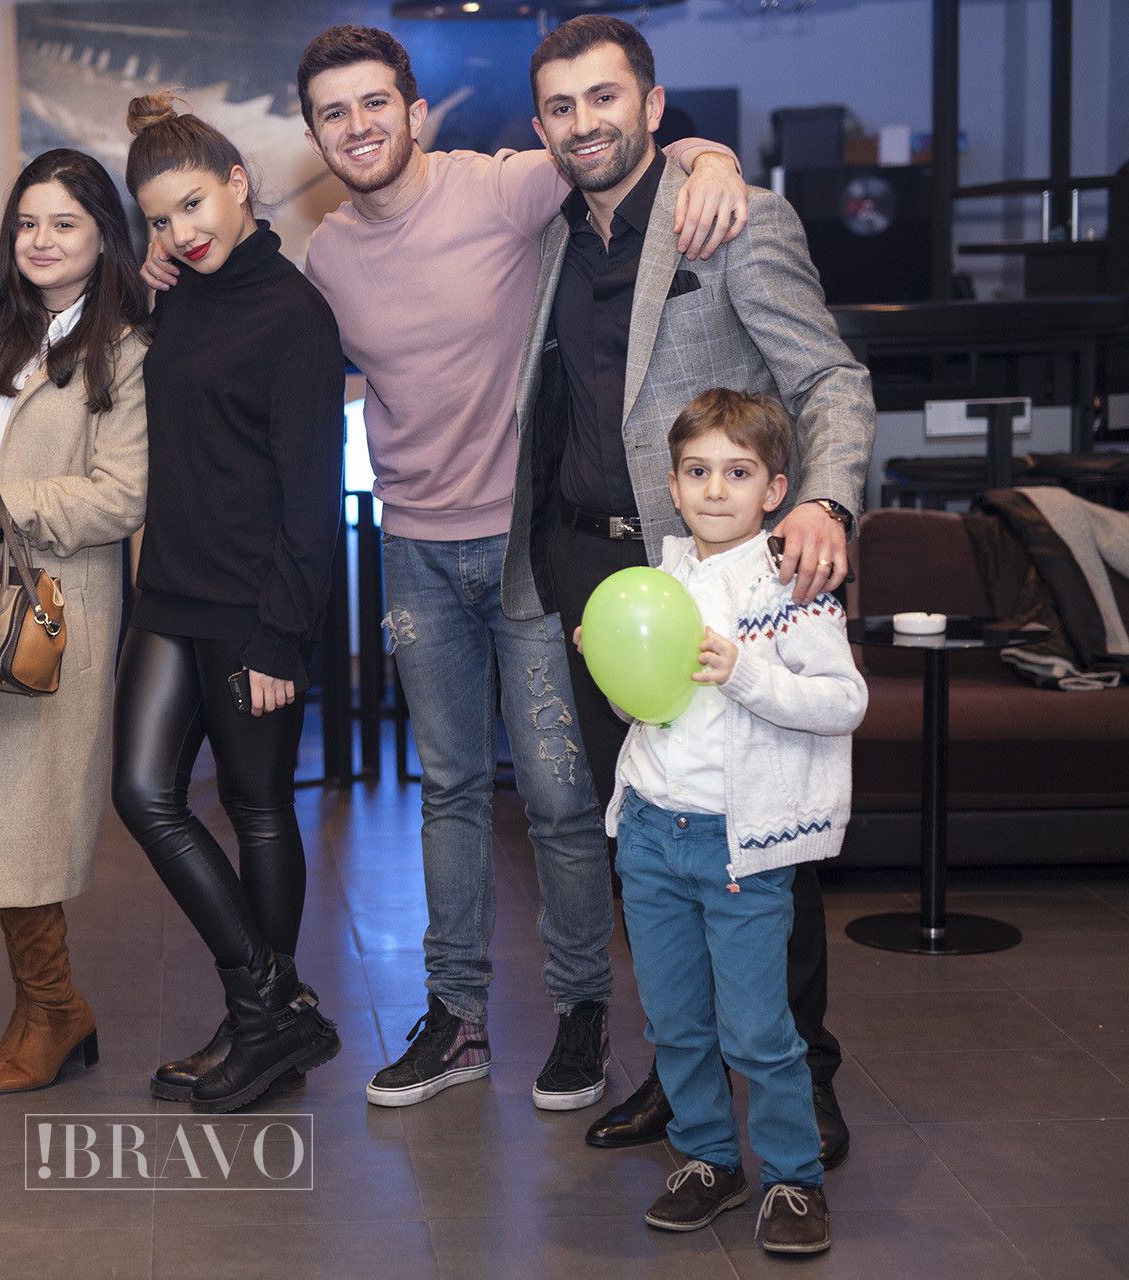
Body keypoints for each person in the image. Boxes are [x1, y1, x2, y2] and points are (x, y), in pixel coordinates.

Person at [141, 24, 742, 1113]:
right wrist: (162, 268)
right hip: (413, 549)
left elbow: (620, 154)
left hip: (523, 545)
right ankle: (456, 1018)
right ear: (314, 136)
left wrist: (714, 158)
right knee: (449, 792)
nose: (357, 126)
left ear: (414, 113)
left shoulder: (499, 189)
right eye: (333, 113)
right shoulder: (326, 259)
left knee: (557, 798)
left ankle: (580, 1014)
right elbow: (244, 330)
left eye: (375, 103)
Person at [508, 14, 874, 1162]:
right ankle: (686, 1072)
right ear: (540, 126)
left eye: (605, 97)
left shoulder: (734, 217)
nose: (584, 123)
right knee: (652, 833)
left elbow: (830, 377)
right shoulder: (546, 238)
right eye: (561, 106)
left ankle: (805, 1074)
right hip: (595, 575)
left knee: (760, 823)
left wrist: (826, 501)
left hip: (724, 573)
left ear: (653, 106)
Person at [574, 388, 863, 1255]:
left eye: (737, 473)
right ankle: (708, 1159)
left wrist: (742, 671)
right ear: (671, 486)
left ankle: (793, 1178)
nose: (713, 489)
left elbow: (842, 702)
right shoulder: (658, 582)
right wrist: (612, 664)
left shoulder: (793, 584)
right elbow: (653, 709)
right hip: (652, 832)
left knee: (759, 1029)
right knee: (674, 1022)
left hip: (741, 844)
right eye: (697, 471)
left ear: (775, 490)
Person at [112, 92, 346, 1114]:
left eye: (194, 205)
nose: (182, 232)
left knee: (256, 808)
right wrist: (149, 280)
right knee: (142, 792)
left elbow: (311, 495)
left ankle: (261, 1022)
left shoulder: (295, 315)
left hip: (255, 607)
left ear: (239, 183)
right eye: (160, 219)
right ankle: (271, 1006)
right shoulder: (174, 295)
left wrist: (281, 636)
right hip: (169, 589)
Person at [0, 148, 149, 1095]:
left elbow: (123, 494)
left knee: (26, 815)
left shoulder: (127, 350)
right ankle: (45, 1007)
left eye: (65, 223)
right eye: (27, 223)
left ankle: (52, 1010)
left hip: (51, 612)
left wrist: (6, 508)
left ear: (104, 237)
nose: (42, 240)